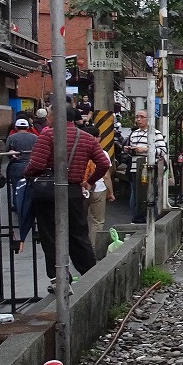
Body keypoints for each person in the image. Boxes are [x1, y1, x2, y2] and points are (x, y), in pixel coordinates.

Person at [25, 101, 111, 286]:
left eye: (49, 115)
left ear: (56, 116)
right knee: (78, 234)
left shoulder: (48, 135)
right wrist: (89, 181)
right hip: (73, 191)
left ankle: (60, 279)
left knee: (50, 236)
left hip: (49, 192)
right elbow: (104, 163)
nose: (47, 119)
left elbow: (37, 164)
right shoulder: (86, 138)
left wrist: (27, 173)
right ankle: (91, 276)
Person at [125, 110, 167, 224]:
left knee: (149, 193)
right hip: (135, 167)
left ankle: (150, 217)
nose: (138, 119)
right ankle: (136, 218)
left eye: (142, 117)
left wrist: (146, 150)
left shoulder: (155, 133)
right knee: (135, 193)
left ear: (149, 119)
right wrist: (129, 150)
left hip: (149, 167)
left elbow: (163, 151)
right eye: (137, 117)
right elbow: (131, 154)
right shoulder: (134, 134)